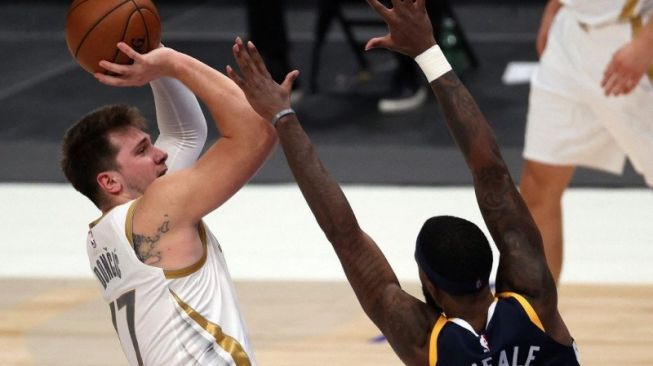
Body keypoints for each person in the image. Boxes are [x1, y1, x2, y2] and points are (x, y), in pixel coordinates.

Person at [226, 0, 580, 364]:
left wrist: (283, 115)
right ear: (492, 264)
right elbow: (493, 174)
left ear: (428, 283)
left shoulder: (424, 340)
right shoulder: (534, 297)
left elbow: (346, 235)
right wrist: (428, 51)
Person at [60, 41, 276, 365]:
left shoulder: (105, 236)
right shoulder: (156, 213)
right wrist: (174, 63)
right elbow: (257, 130)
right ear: (110, 182)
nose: (160, 153)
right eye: (142, 150)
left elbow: (184, 133)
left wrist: (151, 51)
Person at [519, 0, 653, 283]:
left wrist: (646, 44)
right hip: (569, 37)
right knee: (538, 184)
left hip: (635, 31)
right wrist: (556, 6)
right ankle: (536, 320)